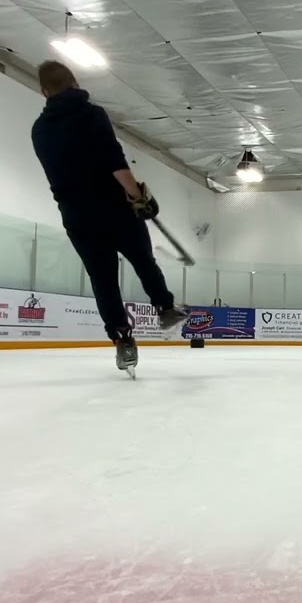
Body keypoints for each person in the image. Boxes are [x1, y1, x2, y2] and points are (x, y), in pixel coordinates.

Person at [30, 60, 186, 372]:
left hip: (77, 217)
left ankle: (122, 341)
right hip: (114, 208)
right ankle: (165, 308)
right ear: (75, 82)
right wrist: (138, 196)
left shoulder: (39, 129)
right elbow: (115, 163)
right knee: (143, 259)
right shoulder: (92, 114)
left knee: (103, 280)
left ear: (44, 91)